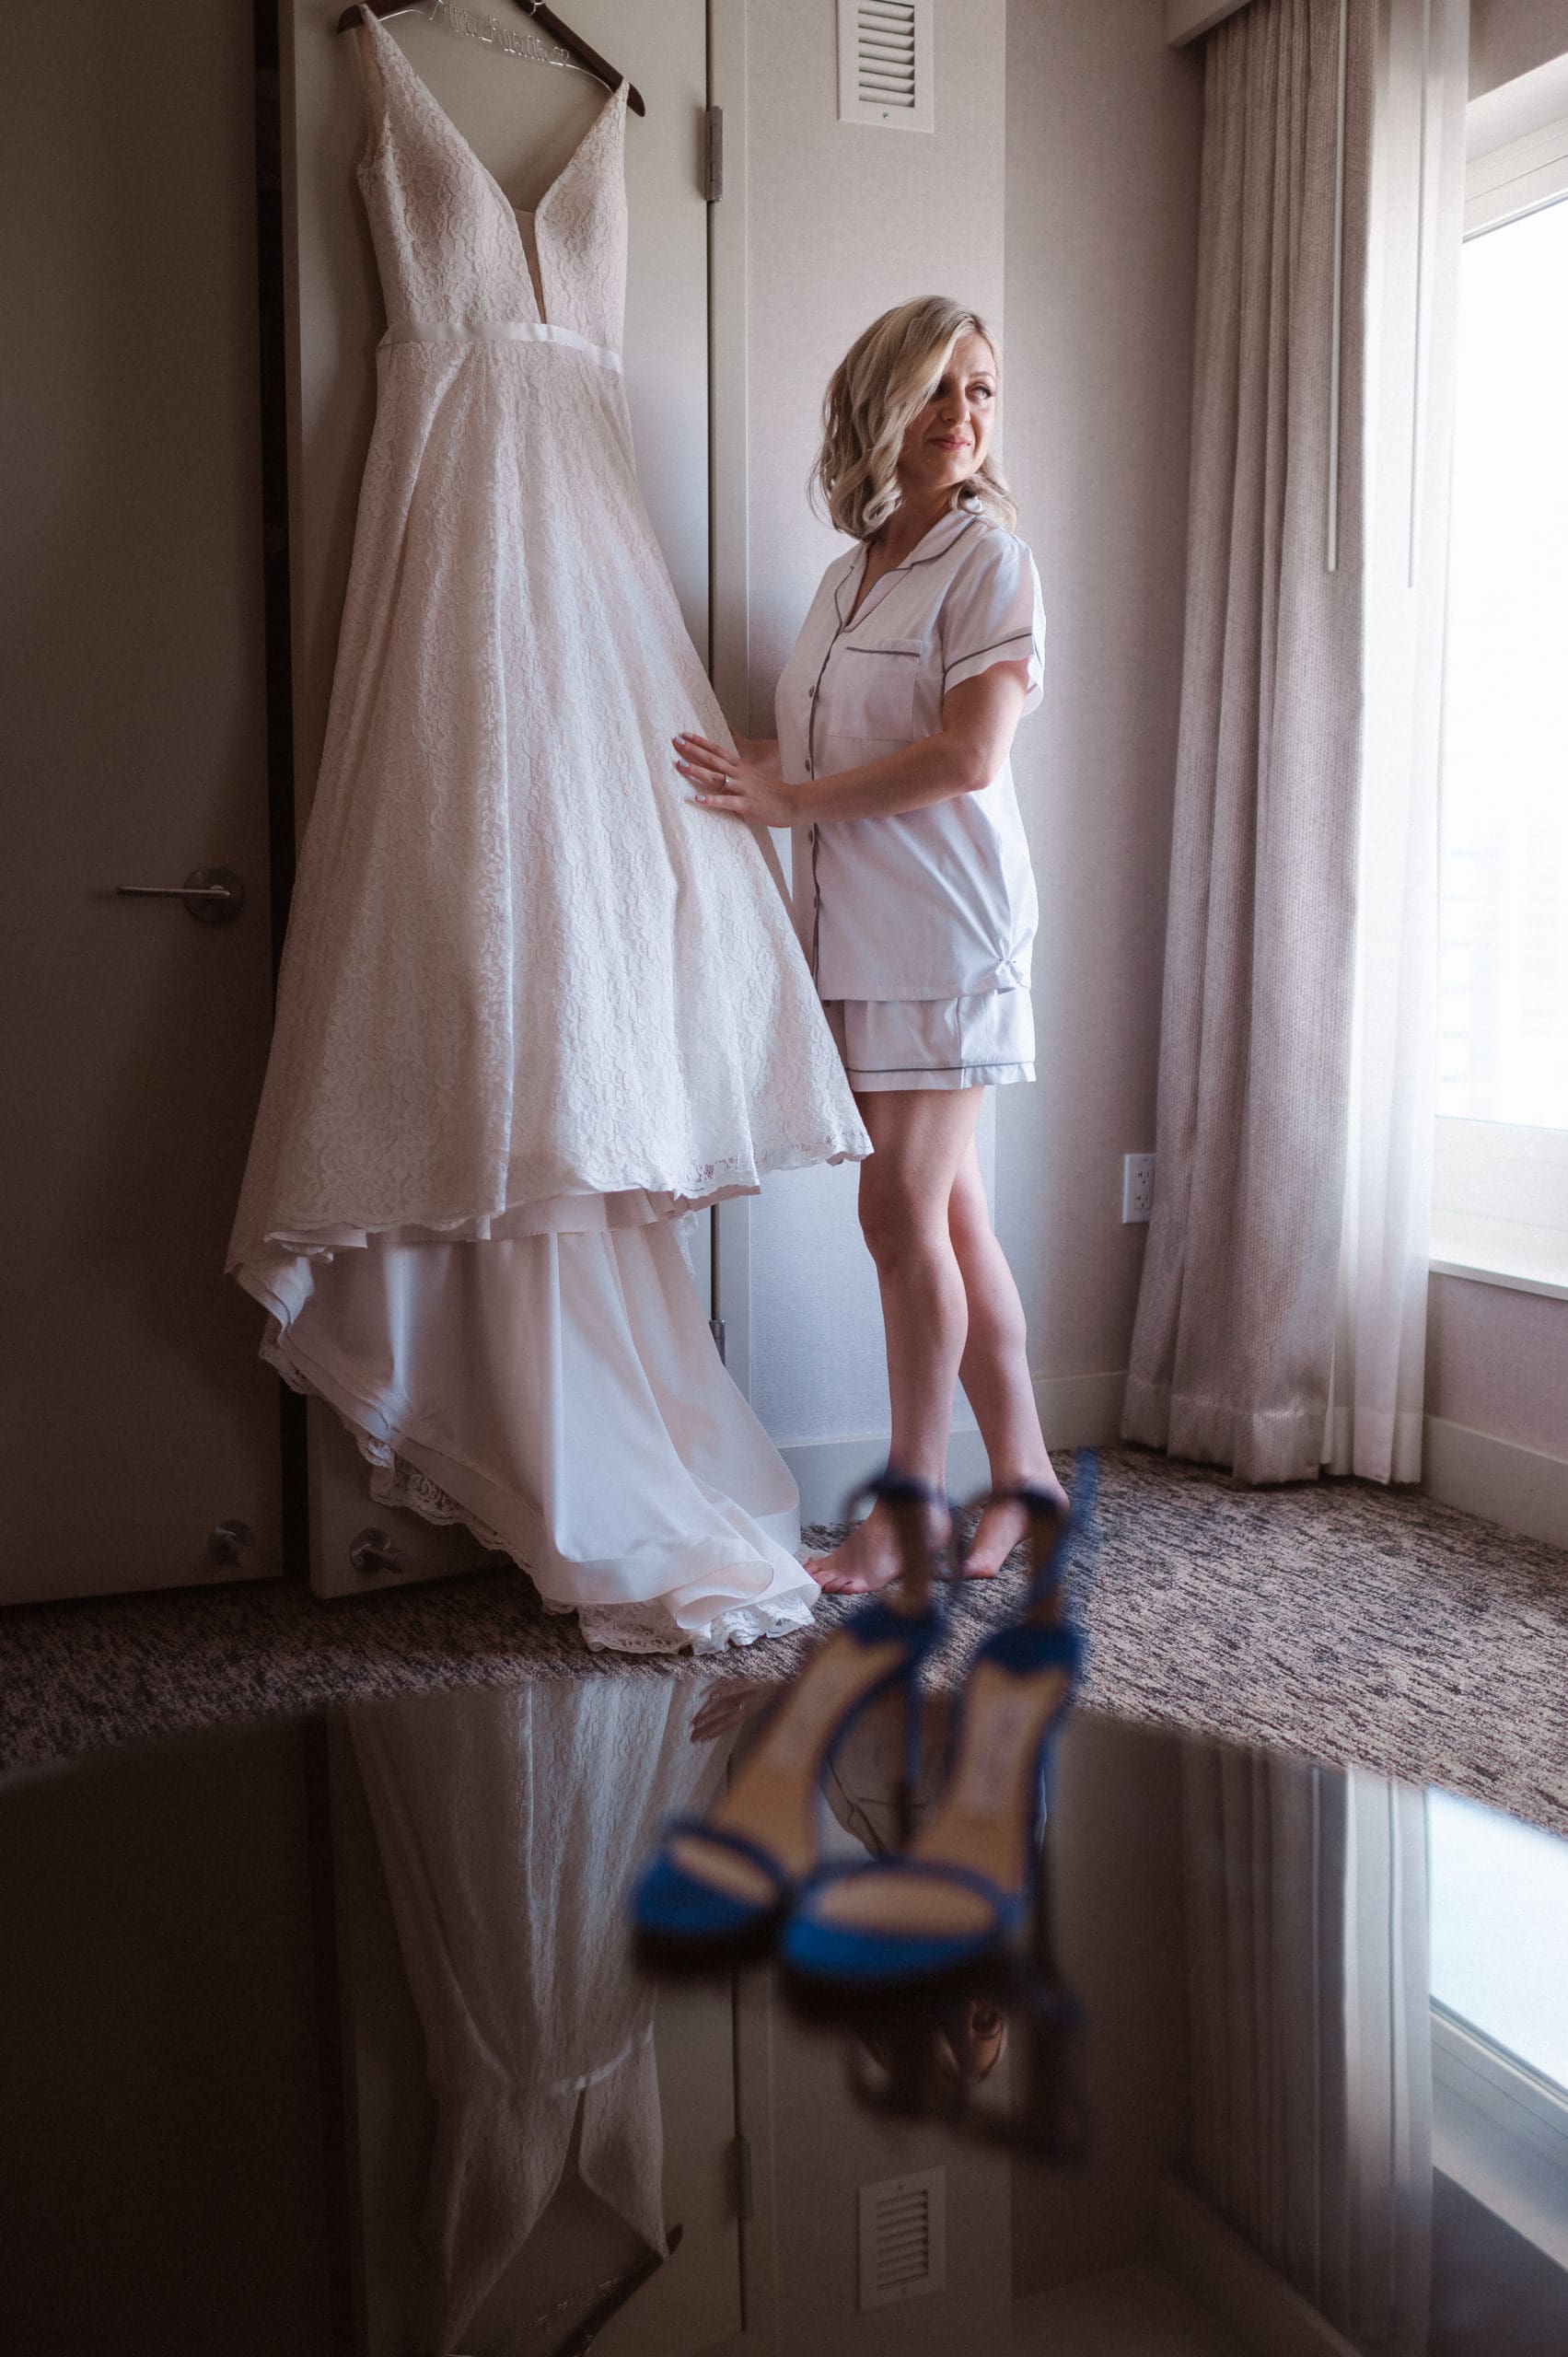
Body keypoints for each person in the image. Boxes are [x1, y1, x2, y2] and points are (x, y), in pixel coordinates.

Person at [674, 296, 1063, 1593]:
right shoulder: (847, 580)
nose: (963, 414)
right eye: (938, 388)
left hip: (946, 939)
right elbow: (831, 749)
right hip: (852, 941)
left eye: (981, 390)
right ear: (879, 406)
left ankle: (908, 1512)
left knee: (898, 1215)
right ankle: (1028, 1482)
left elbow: (967, 755)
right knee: (947, 1217)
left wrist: (792, 802)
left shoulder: (991, 563)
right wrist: (735, 771)